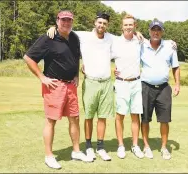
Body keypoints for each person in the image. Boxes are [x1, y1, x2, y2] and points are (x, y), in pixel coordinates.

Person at [47, 12, 145, 161]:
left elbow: (127, 35)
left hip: (106, 82)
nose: (102, 25)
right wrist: (53, 27)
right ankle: (88, 146)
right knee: (89, 116)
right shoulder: (83, 35)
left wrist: (137, 33)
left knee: (103, 117)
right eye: (99, 22)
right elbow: (65, 29)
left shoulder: (111, 38)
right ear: (95, 23)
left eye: (104, 23)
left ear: (108, 25)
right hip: (91, 81)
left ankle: (100, 147)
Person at [23, 10, 93, 169]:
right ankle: (49, 155)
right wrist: (42, 77)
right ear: (57, 21)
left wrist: (76, 75)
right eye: (63, 20)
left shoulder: (75, 38)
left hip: (71, 85)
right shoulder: (48, 37)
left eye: (69, 20)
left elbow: (75, 59)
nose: (66, 23)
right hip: (54, 86)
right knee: (51, 121)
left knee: (74, 118)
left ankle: (76, 151)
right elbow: (28, 58)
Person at [140, 20, 180, 160]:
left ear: (162, 32)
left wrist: (177, 84)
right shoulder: (142, 45)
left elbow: (175, 67)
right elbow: (128, 34)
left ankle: (163, 147)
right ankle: (146, 147)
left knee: (164, 120)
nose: (155, 32)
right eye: (153, 29)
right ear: (149, 31)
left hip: (163, 88)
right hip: (145, 87)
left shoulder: (170, 47)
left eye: (158, 30)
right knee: (145, 119)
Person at [112, 14, 144, 159]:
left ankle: (135, 145)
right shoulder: (115, 42)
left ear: (134, 26)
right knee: (120, 115)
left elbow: (156, 41)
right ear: (122, 26)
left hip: (136, 82)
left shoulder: (140, 40)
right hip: (121, 83)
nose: (128, 27)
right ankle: (120, 146)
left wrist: (171, 43)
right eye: (126, 25)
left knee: (135, 116)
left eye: (131, 25)